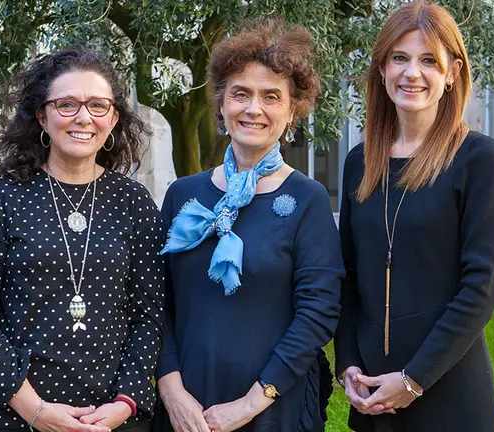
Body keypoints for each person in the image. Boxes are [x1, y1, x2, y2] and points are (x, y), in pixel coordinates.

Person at [0, 46, 165, 432]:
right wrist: (35, 410)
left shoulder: (134, 203)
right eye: (67, 104)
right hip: (7, 415)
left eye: (98, 106)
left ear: (113, 118)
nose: (84, 117)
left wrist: (124, 403)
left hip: (110, 418)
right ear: (41, 116)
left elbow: (149, 316)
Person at [153, 19, 343, 432]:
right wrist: (172, 393)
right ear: (221, 104)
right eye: (241, 94)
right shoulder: (182, 195)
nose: (253, 109)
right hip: (184, 409)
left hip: (272, 407)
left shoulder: (308, 200)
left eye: (271, 96)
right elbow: (154, 303)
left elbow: (318, 314)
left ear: (292, 110)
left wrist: (249, 405)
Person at [334, 2, 494, 431]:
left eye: (429, 60)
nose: (412, 72)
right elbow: (349, 277)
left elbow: (480, 290)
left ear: (452, 73)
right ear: (381, 69)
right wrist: (348, 364)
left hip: (448, 390)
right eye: (400, 58)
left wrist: (413, 380)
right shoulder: (359, 162)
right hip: (373, 395)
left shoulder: (478, 159)